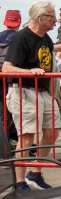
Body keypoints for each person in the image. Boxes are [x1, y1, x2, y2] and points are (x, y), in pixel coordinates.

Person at [3, 2, 61, 190]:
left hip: (43, 91)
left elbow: (50, 65)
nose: (55, 20)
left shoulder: (46, 39)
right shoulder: (21, 38)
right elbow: (7, 67)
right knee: (26, 135)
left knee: (51, 131)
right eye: (52, 16)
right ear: (41, 17)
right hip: (24, 91)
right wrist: (29, 72)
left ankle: (35, 172)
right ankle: (18, 182)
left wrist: (54, 93)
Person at [0, 9, 21, 143]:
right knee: (14, 115)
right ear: (18, 22)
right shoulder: (19, 38)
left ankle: (5, 147)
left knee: (2, 115)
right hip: (12, 81)